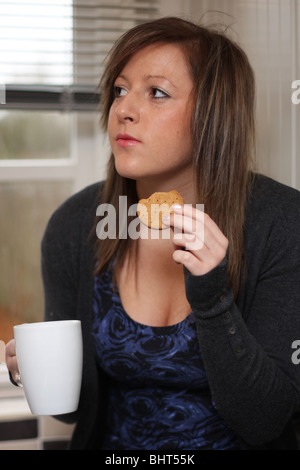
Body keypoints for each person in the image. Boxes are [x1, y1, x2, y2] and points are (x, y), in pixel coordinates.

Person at [5, 16, 300, 450]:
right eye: (120, 90)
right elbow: (70, 409)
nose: (122, 109)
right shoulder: (75, 225)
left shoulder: (282, 224)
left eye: (157, 93)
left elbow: (265, 420)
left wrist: (214, 298)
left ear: (212, 116)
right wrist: (32, 369)